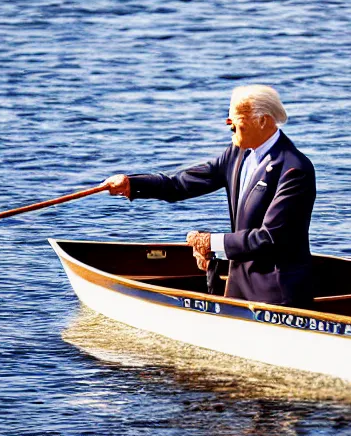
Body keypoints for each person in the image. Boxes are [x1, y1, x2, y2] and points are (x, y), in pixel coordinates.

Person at [104, 85, 316, 307]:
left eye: (235, 118)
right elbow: (179, 184)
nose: (229, 125)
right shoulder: (237, 153)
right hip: (238, 288)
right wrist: (131, 183)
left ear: (262, 121)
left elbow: (269, 238)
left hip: (277, 295)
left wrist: (210, 242)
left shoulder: (294, 170)